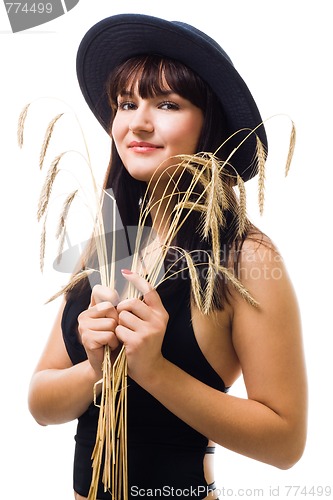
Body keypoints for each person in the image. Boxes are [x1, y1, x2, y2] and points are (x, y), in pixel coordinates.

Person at [28, 13, 307, 500]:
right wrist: (94, 367)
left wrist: (154, 370)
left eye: (167, 103)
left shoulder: (246, 256)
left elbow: (286, 443)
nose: (138, 121)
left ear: (208, 123)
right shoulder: (106, 241)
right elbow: (41, 404)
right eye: (127, 103)